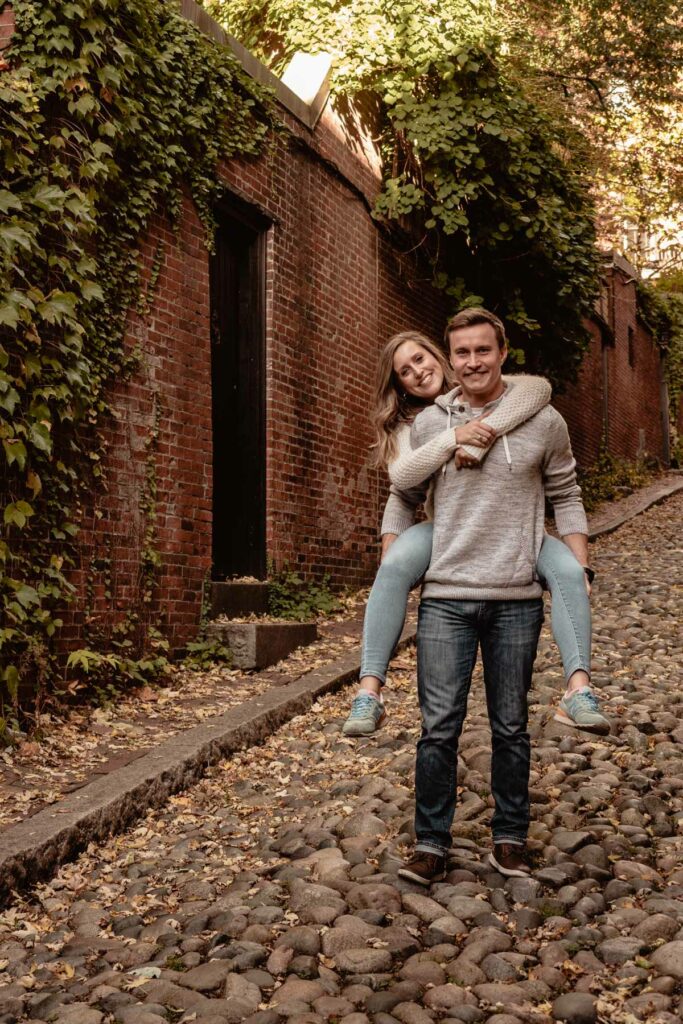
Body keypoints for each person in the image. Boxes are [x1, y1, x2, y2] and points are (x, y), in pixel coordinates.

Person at [396, 307, 593, 886]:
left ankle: (510, 840)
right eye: (462, 352)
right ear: (451, 358)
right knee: (438, 729)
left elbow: (566, 493)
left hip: (515, 597)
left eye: (483, 350)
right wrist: (393, 563)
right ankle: (430, 843)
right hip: (446, 596)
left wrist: (579, 563)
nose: (472, 361)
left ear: (502, 353)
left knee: (511, 727)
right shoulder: (431, 424)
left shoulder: (544, 420)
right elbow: (404, 493)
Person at [342, 328, 608, 738]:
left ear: (439, 356)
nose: (417, 372)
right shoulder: (412, 426)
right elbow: (402, 487)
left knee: (571, 573)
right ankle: (369, 692)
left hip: (516, 526)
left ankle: (578, 690)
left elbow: (538, 389)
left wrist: (484, 434)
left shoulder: (492, 390)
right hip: (445, 527)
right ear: (399, 384)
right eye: (404, 371)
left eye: (420, 359)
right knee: (392, 569)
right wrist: (455, 438)